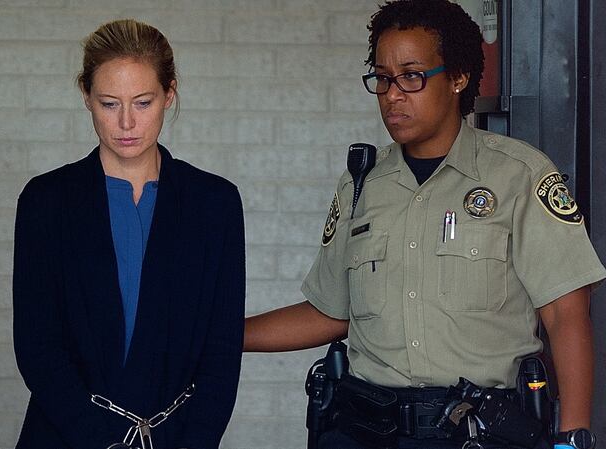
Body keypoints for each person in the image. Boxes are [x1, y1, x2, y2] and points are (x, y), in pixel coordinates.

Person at [244, 1, 605, 448]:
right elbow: (330, 313)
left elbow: (565, 315)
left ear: (458, 77)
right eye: (381, 78)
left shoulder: (519, 177)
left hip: (478, 431)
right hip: (365, 429)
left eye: (412, 76)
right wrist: (221, 336)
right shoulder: (361, 185)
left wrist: (571, 439)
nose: (393, 94)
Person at [12, 19, 245, 449]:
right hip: (63, 438)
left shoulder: (216, 204)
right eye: (108, 103)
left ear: (169, 94)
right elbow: (36, 347)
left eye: (142, 102)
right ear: (85, 95)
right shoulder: (45, 201)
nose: (125, 123)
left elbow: (222, 352)